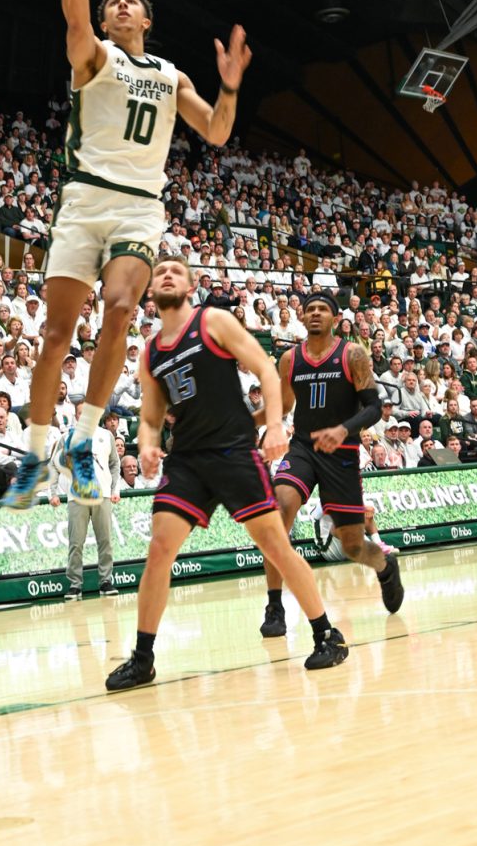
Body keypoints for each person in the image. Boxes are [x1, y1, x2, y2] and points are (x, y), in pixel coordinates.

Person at [4, 0, 252, 510]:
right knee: (58, 334)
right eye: (113, 1)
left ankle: (84, 439)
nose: (119, 6)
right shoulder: (95, 55)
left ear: (146, 22)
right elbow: (74, 18)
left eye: (131, 3)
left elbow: (217, 131)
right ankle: (37, 453)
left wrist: (228, 87)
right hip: (84, 200)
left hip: (140, 204)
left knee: (119, 309)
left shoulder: (171, 75)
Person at [105, 258, 348, 693]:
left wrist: (274, 425)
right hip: (187, 461)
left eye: (176, 271)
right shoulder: (151, 352)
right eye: (160, 271)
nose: (166, 275)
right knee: (160, 549)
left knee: (275, 545)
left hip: (234, 451)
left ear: (191, 285)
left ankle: (326, 633)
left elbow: (267, 370)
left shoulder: (213, 321)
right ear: (149, 290)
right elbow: (150, 415)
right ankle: (142, 658)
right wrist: (146, 445)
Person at [260, 291, 403, 640]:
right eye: (309, 309)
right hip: (303, 449)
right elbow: (281, 406)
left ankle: (385, 567)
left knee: (353, 546)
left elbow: (373, 407)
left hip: (341, 453)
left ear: (335, 319)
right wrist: (246, 425)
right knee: (278, 513)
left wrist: (344, 429)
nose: (315, 314)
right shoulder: (290, 359)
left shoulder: (353, 354)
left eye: (323, 309)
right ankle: (275, 604)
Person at [48, 425, 121, 600]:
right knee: (76, 543)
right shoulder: (68, 437)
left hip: (102, 494)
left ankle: (105, 581)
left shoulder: (106, 435)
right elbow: (53, 464)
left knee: (105, 541)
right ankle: (75, 585)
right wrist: (53, 492)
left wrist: (115, 489)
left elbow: (115, 464)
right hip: (76, 496)